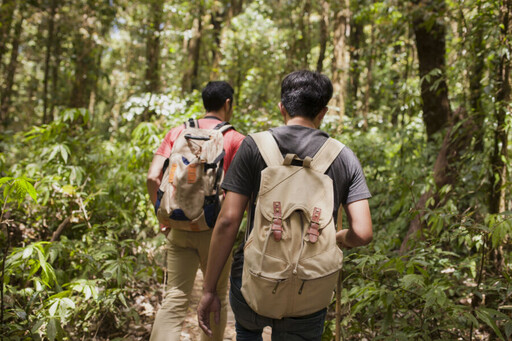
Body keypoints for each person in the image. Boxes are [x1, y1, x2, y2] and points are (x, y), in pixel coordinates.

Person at [197, 70, 373, 340]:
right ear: (323, 111)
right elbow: (362, 233)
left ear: (282, 108)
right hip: (310, 288)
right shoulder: (343, 157)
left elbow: (228, 220)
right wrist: (339, 237)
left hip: (255, 280)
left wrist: (209, 290)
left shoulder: (254, 146)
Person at [147, 81, 245, 341]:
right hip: (215, 231)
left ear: (204, 102)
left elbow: (153, 176)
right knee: (216, 297)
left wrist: (162, 218)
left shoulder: (177, 132)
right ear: (228, 104)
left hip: (178, 226)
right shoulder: (235, 139)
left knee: (175, 298)